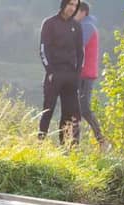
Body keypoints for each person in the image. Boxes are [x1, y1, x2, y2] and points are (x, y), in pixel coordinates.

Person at [39, 0, 84, 147]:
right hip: (54, 73)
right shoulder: (49, 23)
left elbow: (80, 52)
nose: (72, 8)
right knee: (48, 111)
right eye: (70, 4)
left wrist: (78, 74)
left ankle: (67, 148)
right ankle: (40, 144)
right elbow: (43, 49)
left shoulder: (76, 26)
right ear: (64, 4)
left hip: (70, 75)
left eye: (75, 5)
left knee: (70, 114)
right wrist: (50, 71)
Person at [75, 2, 105, 150]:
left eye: (76, 11)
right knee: (75, 109)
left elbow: (77, 46)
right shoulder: (83, 25)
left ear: (84, 12)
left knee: (84, 109)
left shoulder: (86, 26)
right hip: (80, 74)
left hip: (85, 74)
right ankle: (74, 144)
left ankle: (102, 141)